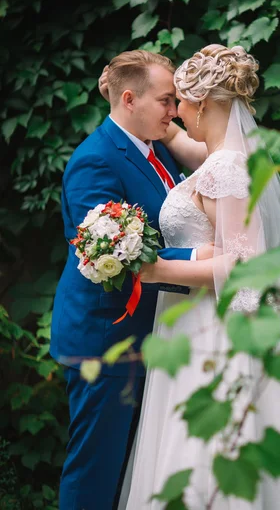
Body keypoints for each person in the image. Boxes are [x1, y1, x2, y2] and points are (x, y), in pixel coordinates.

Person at [118, 44, 280, 509]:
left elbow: (242, 265)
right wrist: (150, 125)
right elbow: (190, 151)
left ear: (202, 104)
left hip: (213, 328)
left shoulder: (228, 168)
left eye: (179, 101)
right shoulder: (224, 156)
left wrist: (156, 267)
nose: (174, 110)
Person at [50, 50, 214, 510]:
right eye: (167, 100)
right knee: (97, 467)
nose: (175, 110)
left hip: (153, 331)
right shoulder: (96, 161)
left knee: (139, 469)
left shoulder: (155, 143)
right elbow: (107, 255)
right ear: (129, 100)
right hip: (105, 337)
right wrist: (202, 257)